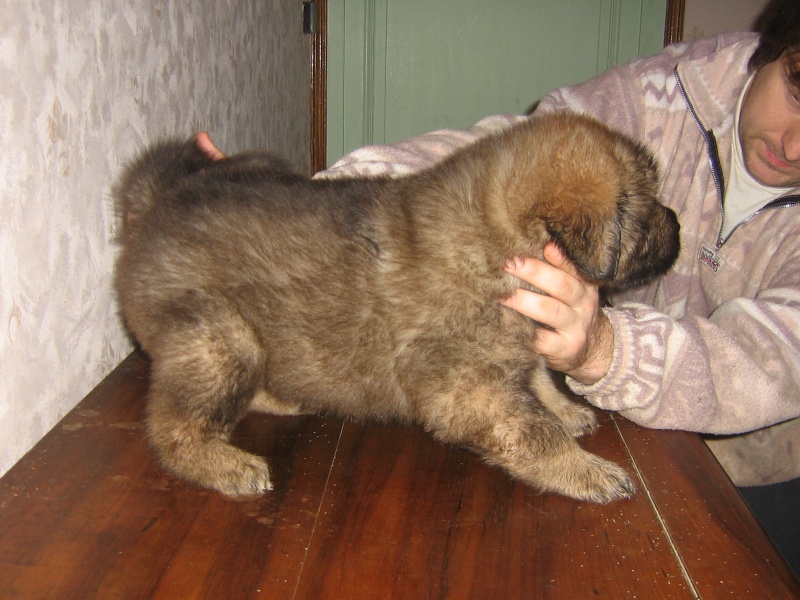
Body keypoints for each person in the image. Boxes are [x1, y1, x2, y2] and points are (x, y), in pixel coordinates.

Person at [196, 0, 800, 573]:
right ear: (773, 47)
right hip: (611, 414)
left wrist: (606, 349)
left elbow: (778, 361)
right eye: (798, 93)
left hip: (760, 472)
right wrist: (299, 211)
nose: (793, 147)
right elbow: (498, 166)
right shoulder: (665, 92)